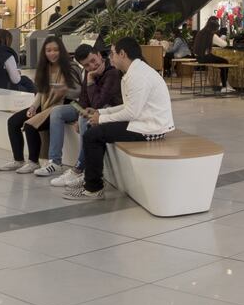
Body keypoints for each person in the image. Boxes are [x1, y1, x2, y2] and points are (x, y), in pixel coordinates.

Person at [65, 38, 174, 201]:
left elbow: (131, 112)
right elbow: (129, 107)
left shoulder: (138, 75)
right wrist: (101, 112)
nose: (110, 57)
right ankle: (90, 178)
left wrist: (101, 119)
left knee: (93, 135)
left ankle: (93, 188)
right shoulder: (134, 72)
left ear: (123, 54)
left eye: (113, 54)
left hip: (150, 128)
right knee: (94, 131)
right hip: (143, 122)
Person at [1, 36, 78, 175]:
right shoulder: (44, 68)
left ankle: (33, 162)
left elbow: (79, 91)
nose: (52, 53)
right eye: (48, 50)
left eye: (55, 50)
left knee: (30, 125)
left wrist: (64, 90)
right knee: (13, 122)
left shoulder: (70, 67)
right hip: (45, 103)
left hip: (61, 105)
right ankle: (18, 159)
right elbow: (41, 92)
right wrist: (33, 107)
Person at [50, 44, 121, 187]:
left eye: (93, 61)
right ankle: (55, 162)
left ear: (99, 55)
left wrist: (90, 81)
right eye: (87, 65)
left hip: (110, 111)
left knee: (85, 119)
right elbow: (83, 100)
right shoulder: (87, 72)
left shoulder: (111, 72)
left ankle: (79, 169)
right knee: (57, 112)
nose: (92, 66)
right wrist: (78, 113)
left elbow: (98, 103)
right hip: (91, 109)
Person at [194, 16, 233, 94]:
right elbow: (224, 44)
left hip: (198, 57)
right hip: (206, 57)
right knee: (225, 62)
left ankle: (224, 83)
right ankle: (224, 85)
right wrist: (222, 37)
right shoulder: (211, 35)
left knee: (222, 62)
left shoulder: (200, 32)